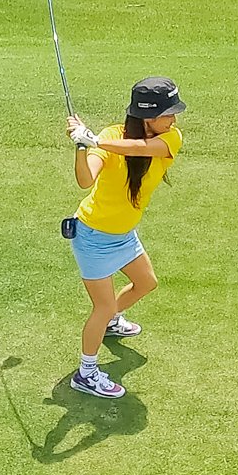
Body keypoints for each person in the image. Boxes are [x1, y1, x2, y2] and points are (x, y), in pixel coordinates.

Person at [63, 76, 186, 398]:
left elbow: (143, 149)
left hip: (123, 233)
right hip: (92, 236)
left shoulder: (169, 138)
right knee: (100, 308)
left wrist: (93, 140)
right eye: (168, 113)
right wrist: (81, 145)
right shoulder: (111, 136)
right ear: (147, 116)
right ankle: (86, 372)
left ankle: (111, 321)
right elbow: (85, 179)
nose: (173, 119)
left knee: (146, 283)